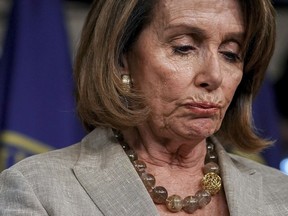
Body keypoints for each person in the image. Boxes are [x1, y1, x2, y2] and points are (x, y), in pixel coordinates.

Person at [0, 0, 287, 215]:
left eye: (230, 54)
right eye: (184, 47)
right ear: (121, 57)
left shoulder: (280, 194)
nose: (214, 75)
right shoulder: (35, 188)